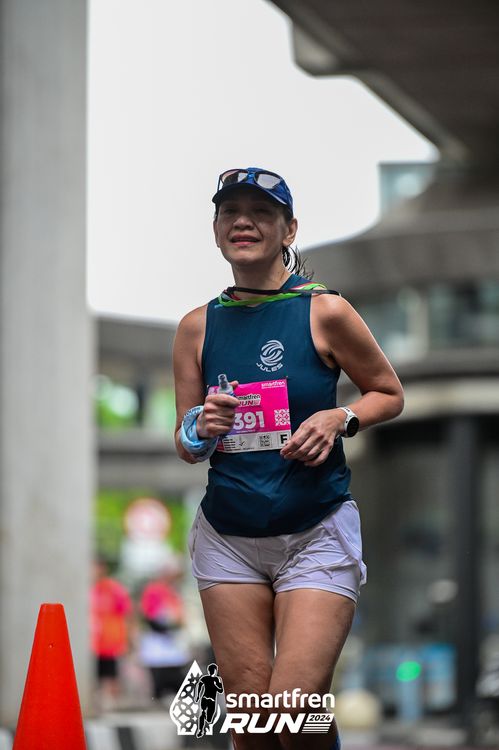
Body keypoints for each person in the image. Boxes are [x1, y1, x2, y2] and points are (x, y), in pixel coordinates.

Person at [173, 167, 404, 750]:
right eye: (230, 212)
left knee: (293, 706)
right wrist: (202, 426)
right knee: (251, 722)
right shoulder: (196, 327)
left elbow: (388, 393)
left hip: (314, 529)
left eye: (261, 213)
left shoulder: (324, 310)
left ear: (289, 230)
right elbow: (186, 443)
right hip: (229, 536)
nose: (243, 222)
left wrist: (338, 417)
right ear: (216, 229)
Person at [138, 560, 191, 704]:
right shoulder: (154, 590)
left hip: (172, 637)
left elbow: (180, 614)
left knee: (176, 671)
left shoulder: (174, 591)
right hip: (157, 637)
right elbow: (149, 614)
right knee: (159, 673)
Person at [90, 557, 133, 711]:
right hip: (93, 642)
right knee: (95, 675)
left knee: (111, 675)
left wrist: (128, 639)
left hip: (110, 641)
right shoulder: (89, 589)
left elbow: (127, 614)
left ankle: (111, 706)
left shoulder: (114, 589)